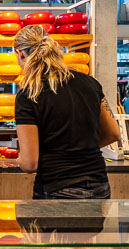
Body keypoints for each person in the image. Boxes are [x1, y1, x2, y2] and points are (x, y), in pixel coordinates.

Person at [13, 25, 120, 199]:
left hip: (58, 187)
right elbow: (113, 134)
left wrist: (16, 160)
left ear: (21, 54)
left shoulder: (29, 94)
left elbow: (29, 164)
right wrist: (79, 150)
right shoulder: (90, 83)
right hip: (99, 185)